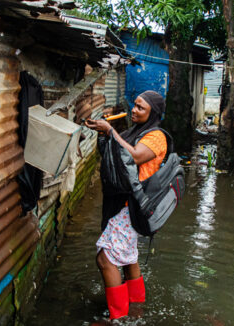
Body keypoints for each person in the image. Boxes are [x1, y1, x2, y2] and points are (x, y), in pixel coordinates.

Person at [85, 90, 167, 320]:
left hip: (135, 206)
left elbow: (134, 157)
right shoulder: (135, 131)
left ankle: (118, 318)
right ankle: (135, 308)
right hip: (126, 203)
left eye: (141, 107)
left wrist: (111, 130)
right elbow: (114, 154)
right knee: (129, 258)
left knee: (105, 258)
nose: (134, 109)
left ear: (154, 113)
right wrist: (104, 134)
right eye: (135, 105)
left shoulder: (156, 136)